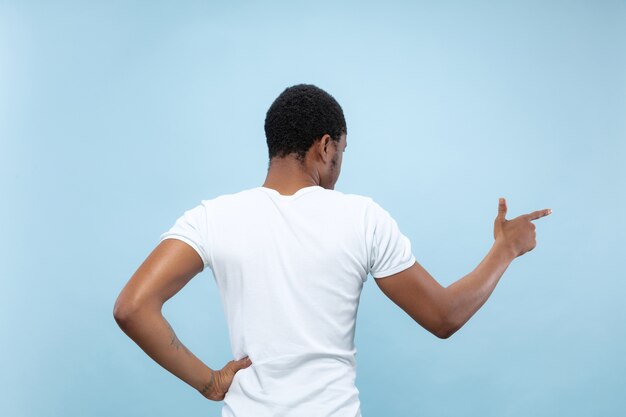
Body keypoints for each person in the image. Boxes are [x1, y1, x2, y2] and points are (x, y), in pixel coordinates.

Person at [113, 84, 552, 417]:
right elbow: (444, 316)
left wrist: (210, 383)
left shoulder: (212, 217)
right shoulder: (362, 218)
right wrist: (505, 248)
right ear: (325, 146)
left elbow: (133, 308)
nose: (340, 164)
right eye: (342, 151)